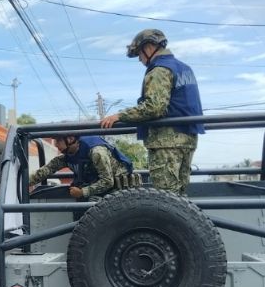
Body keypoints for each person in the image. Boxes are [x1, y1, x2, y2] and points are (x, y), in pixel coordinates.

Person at [99, 29, 204, 195]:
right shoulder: (184, 69)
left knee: (166, 198)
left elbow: (154, 107)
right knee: (180, 196)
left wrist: (120, 116)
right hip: (187, 139)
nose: (140, 60)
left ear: (148, 48)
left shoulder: (160, 70)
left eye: (139, 54)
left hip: (166, 142)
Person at [30, 135, 135, 199]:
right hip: (99, 190)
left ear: (70, 139)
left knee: (92, 208)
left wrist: (82, 192)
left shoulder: (96, 152)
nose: (56, 144)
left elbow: (107, 181)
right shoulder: (67, 156)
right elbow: (46, 170)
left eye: (58, 140)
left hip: (117, 192)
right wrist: (25, 182)